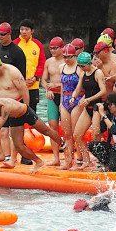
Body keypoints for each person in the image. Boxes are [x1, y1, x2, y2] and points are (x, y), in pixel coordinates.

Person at [0, 97, 63, 174]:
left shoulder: (5, 107)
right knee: (19, 146)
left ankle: (63, 145)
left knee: (46, 131)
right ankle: (38, 162)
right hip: (15, 118)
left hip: (25, 112)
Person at [0, 55, 30, 168]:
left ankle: (13, 159)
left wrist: (26, 109)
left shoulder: (13, 72)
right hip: (2, 106)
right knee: (3, 132)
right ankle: (8, 158)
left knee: (14, 134)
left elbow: (24, 90)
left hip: (16, 105)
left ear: (1, 65)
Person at [71, 52, 107, 170]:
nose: (81, 68)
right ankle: (87, 161)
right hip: (87, 108)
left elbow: (103, 91)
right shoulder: (83, 73)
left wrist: (88, 99)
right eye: (79, 66)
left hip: (97, 107)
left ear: (89, 63)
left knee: (96, 135)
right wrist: (73, 97)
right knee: (77, 134)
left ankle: (100, 162)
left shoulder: (98, 73)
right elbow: (78, 89)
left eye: (82, 66)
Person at [58, 44, 85, 170]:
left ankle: (80, 160)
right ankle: (68, 161)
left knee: (76, 133)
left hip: (77, 100)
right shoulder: (61, 67)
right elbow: (62, 87)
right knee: (66, 134)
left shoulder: (79, 68)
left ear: (75, 56)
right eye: (64, 57)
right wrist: (60, 103)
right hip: (65, 100)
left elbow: (83, 86)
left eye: (69, 57)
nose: (67, 59)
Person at [42, 36, 65, 166]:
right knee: (52, 127)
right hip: (52, 96)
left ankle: (69, 158)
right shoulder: (48, 62)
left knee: (67, 128)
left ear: (62, 48)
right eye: (51, 48)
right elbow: (44, 80)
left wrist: (56, 86)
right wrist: (47, 89)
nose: (52, 51)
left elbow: (70, 82)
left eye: (55, 48)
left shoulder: (67, 61)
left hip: (64, 96)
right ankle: (56, 158)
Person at [88, 93, 116, 171]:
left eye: (110, 105)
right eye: (107, 104)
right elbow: (98, 130)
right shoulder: (110, 116)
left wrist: (103, 115)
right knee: (93, 145)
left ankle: (111, 165)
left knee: (114, 166)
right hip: (112, 148)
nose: (108, 107)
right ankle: (106, 164)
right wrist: (97, 114)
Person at [13, 19, 46, 112]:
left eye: (26, 29)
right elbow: (11, 65)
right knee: (17, 111)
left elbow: (41, 63)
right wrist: (22, 80)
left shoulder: (38, 44)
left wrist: (35, 77)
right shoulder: (15, 44)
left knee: (32, 111)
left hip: (33, 84)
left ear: (32, 31)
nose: (23, 32)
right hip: (18, 85)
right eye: (22, 29)